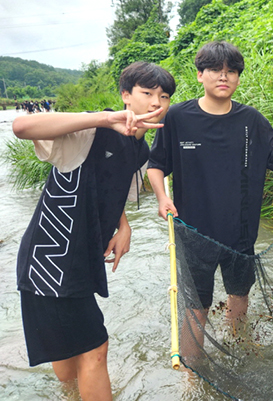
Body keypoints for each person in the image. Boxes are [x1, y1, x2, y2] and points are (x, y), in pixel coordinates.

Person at [13, 61, 176, 401]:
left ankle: (71, 394)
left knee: (69, 355)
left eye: (163, 96)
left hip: (76, 260)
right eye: (146, 93)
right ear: (125, 96)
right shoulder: (90, 132)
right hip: (51, 262)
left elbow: (111, 187)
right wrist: (103, 118)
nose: (155, 103)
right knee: (96, 348)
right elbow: (21, 126)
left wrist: (124, 225)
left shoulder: (139, 149)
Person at [147, 41, 273, 328]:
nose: (223, 76)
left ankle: (237, 349)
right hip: (193, 232)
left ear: (238, 78)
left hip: (240, 231)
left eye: (231, 71)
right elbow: (156, 165)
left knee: (239, 296)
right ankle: (192, 374)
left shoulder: (251, 119)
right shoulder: (178, 117)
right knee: (196, 308)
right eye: (215, 69)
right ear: (199, 74)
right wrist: (161, 198)